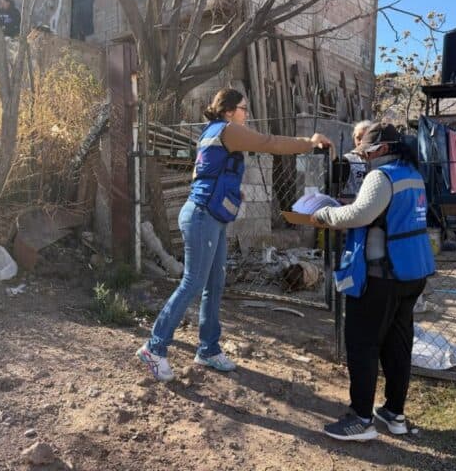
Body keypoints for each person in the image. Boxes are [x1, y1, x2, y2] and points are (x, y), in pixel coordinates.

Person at [137, 88, 333, 381]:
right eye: (244, 108)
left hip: (209, 216)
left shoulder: (212, 133)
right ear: (229, 111)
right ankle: (155, 348)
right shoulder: (228, 130)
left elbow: (203, 174)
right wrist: (309, 142)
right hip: (202, 216)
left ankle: (208, 349)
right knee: (193, 282)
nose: (247, 113)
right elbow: (270, 142)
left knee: (215, 283)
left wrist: (231, 190)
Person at [312, 122, 435, 441]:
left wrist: (325, 215)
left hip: (382, 276)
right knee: (397, 345)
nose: (364, 159)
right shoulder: (413, 174)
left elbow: (359, 216)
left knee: (363, 344)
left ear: (381, 149)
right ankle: (394, 414)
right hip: (412, 272)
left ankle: (361, 419)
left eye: (366, 152)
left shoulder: (381, 176)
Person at [335, 119, 372, 202]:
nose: (361, 142)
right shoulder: (347, 160)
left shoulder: (380, 159)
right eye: (358, 138)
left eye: (365, 138)